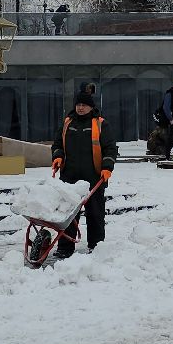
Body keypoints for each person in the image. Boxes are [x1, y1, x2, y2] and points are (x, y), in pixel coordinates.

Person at [50, 91, 115, 256]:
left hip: (94, 177)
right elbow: (57, 143)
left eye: (83, 105)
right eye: (78, 104)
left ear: (91, 107)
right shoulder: (67, 123)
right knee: (69, 214)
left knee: (95, 214)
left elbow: (110, 148)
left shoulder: (100, 124)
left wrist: (107, 167)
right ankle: (65, 247)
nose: (80, 108)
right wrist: (57, 157)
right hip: (69, 177)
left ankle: (96, 246)